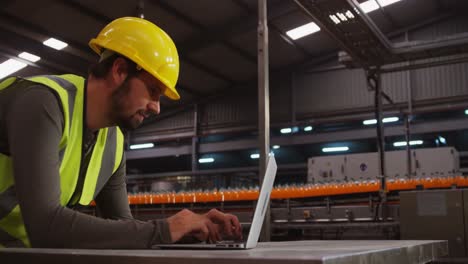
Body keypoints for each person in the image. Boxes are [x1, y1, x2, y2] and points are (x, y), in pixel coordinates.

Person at [0, 17, 241, 248]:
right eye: (153, 90)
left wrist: (190, 229)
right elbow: (46, 228)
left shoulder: (112, 142)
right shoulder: (44, 104)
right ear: (119, 70)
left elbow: (124, 229)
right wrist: (166, 229)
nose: (156, 107)